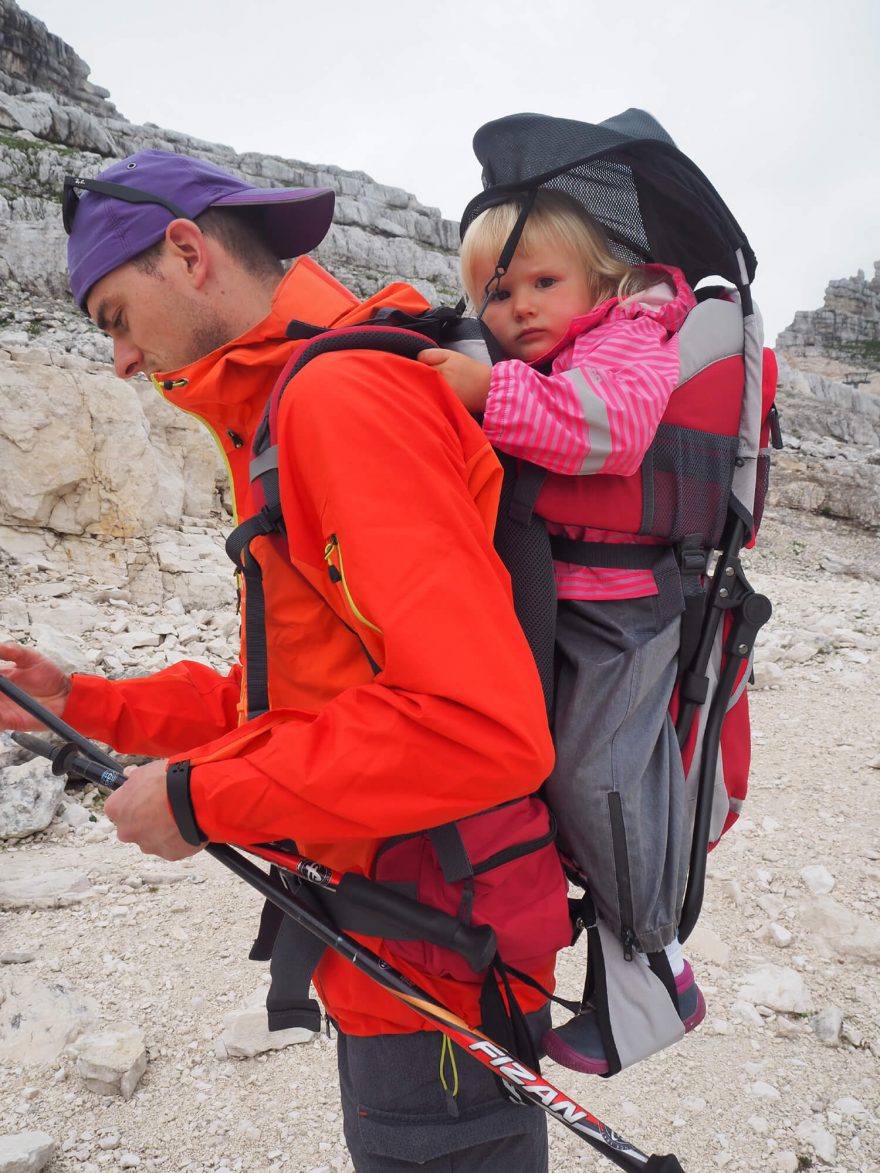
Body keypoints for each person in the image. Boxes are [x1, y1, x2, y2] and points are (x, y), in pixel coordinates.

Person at [0, 151, 573, 1171]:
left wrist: (197, 801)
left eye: (116, 319)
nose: (121, 360)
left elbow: (481, 727)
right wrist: (81, 700)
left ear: (186, 253)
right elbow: (299, 700)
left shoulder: (339, 404)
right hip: (401, 931)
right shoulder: (287, 407)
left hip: (431, 958)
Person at [417, 188, 707, 1075]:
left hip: (626, 611)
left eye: (544, 280)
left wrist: (487, 387)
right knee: (546, 772)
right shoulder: (560, 346)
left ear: (602, 278)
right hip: (568, 601)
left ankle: (663, 970)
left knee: (595, 776)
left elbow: (613, 433)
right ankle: (621, 976)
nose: (520, 308)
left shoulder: (629, 333)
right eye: (498, 296)